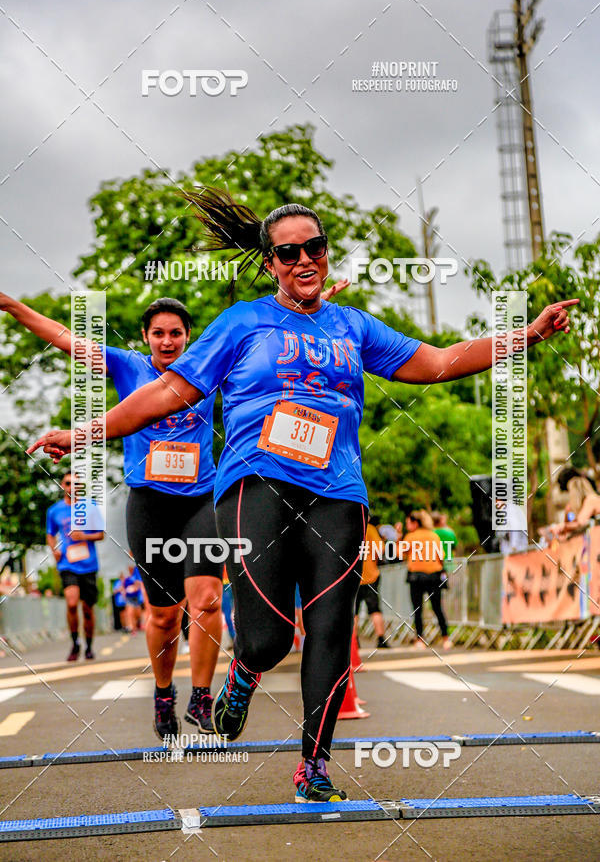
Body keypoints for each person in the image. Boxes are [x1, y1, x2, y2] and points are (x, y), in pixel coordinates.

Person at [27, 187, 578, 801]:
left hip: (338, 489)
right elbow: (165, 394)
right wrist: (84, 432)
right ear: (270, 265)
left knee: (331, 626)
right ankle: (244, 672)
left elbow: (441, 359)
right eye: (288, 253)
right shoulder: (240, 323)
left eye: (313, 247)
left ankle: (313, 766)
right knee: (268, 639)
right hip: (255, 482)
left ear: (325, 252)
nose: (303, 260)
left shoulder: (353, 325)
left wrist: (523, 336)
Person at [0, 292, 222, 737]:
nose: (167, 341)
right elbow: (66, 339)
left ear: (188, 337)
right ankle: (164, 693)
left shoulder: (206, 367)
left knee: (207, 599)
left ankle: (202, 697)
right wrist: (14, 308)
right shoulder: (128, 366)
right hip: (150, 503)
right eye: (158, 333)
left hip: (202, 498)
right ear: (146, 337)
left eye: (175, 333)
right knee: (164, 614)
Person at [46, 471, 105, 661]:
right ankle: (75, 643)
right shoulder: (54, 511)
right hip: (67, 563)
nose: (72, 487)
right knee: (72, 603)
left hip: (88, 564)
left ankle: (88, 646)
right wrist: (54, 548)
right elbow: (50, 533)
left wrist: (84, 536)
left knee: (88, 609)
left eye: (76, 484)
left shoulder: (90, 506)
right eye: (68, 483)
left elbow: (101, 534)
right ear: (63, 486)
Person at [400, 510, 450, 650]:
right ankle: (446, 638)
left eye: (408, 523)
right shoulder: (433, 535)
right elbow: (441, 555)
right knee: (437, 608)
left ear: (416, 522)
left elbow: (400, 553)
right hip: (433, 575)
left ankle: (420, 640)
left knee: (417, 609)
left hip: (416, 576)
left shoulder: (410, 537)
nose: (407, 525)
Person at [354, 516, 388, 648]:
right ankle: (381, 639)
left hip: (353, 577)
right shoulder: (370, 529)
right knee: (375, 609)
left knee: (353, 611)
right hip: (370, 575)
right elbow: (381, 550)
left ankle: (354, 641)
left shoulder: (350, 527)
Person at [124, 562, 144, 632]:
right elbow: (124, 588)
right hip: (129, 598)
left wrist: (133, 588)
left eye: (131, 568)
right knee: (130, 613)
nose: (130, 569)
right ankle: (133, 629)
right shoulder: (126, 578)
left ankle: (137, 625)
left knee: (137, 614)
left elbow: (138, 584)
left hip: (136, 597)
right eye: (129, 568)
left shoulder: (135, 576)